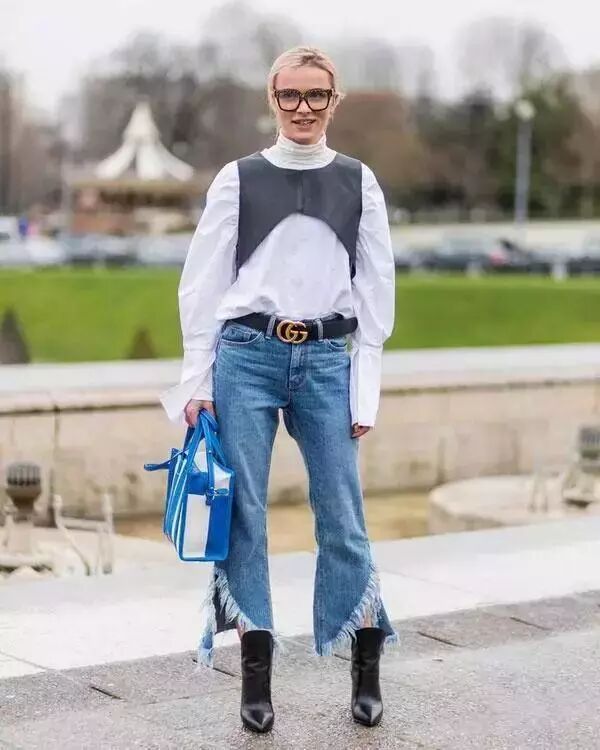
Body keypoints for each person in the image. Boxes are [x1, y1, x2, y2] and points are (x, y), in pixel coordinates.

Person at [160, 45, 398, 733]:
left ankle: (365, 666)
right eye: (290, 95)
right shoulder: (238, 179)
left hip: (327, 358)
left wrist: (366, 385)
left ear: (334, 101)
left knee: (343, 514)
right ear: (273, 99)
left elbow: (376, 284)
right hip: (246, 356)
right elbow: (202, 282)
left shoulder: (358, 181)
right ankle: (256, 676)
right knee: (245, 516)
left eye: (316, 95)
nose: (302, 108)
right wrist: (197, 381)